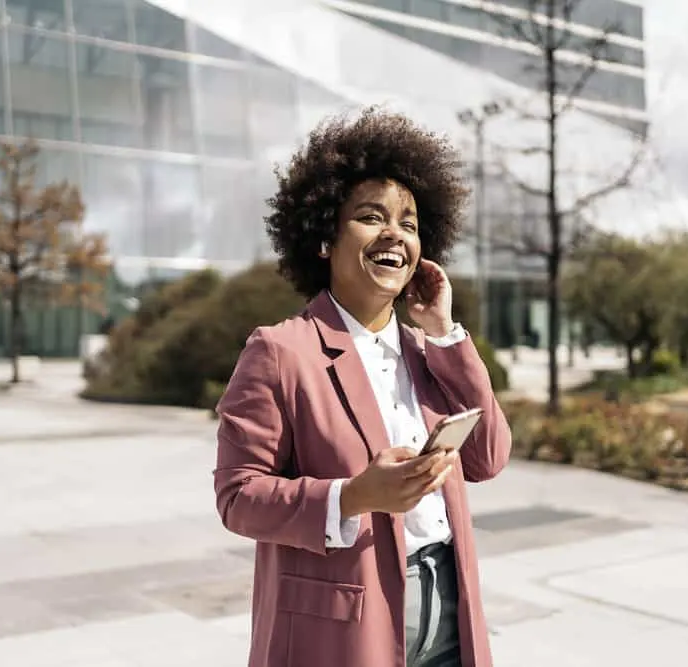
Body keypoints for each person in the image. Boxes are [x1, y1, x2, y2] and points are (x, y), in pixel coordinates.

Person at [214, 108, 512, 667]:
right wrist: (353, 496)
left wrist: (445, 332)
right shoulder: (279, 351)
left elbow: (488, 456)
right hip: (343, 629)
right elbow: (237, 497)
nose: (395, 233)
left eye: (409, 222)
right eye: (372, 217)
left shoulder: (430, 353)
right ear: (325, 238)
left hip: (450, 608)